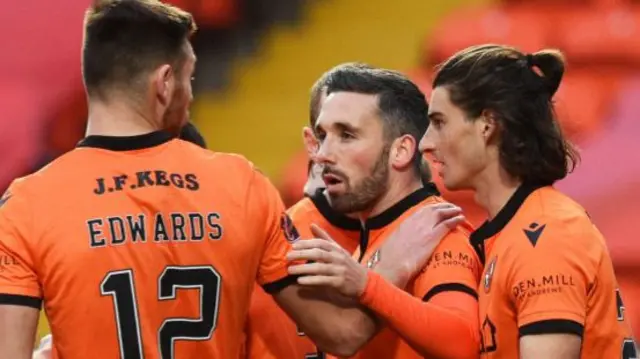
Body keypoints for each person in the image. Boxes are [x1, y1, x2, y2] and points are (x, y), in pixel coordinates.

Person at [0, 2, 461, 358]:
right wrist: (393, 266)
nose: (192, 93)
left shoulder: (26, 204)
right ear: (164, 82)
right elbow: (345, 335)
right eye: (190, 77)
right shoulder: (239, 184)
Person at [409, 44, 637, 358]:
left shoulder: (545, 235)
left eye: (439, 122)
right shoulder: (514, 230)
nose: (426, 144)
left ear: (487, 124)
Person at [287, 66, 482, 358]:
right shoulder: (376, 234)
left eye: (347, 135)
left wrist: (367, 285)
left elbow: (462, 342)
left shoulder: (435, 232)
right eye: (322, 135)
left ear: (401, 151)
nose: (323, 154)